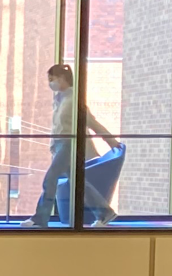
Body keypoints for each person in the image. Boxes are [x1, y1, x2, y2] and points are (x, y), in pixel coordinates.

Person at [20, 63, 124, 227]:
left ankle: (40, 218)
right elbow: (57, 125)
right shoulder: (59, 99)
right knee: (78, 182)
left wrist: (111, 141)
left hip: (70, 144)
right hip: (60, 145)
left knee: (51, 178)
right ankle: (105, 213)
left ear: (62, 78)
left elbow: (92, 122)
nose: (50, 83)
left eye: (52, 79)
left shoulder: (74, 99)